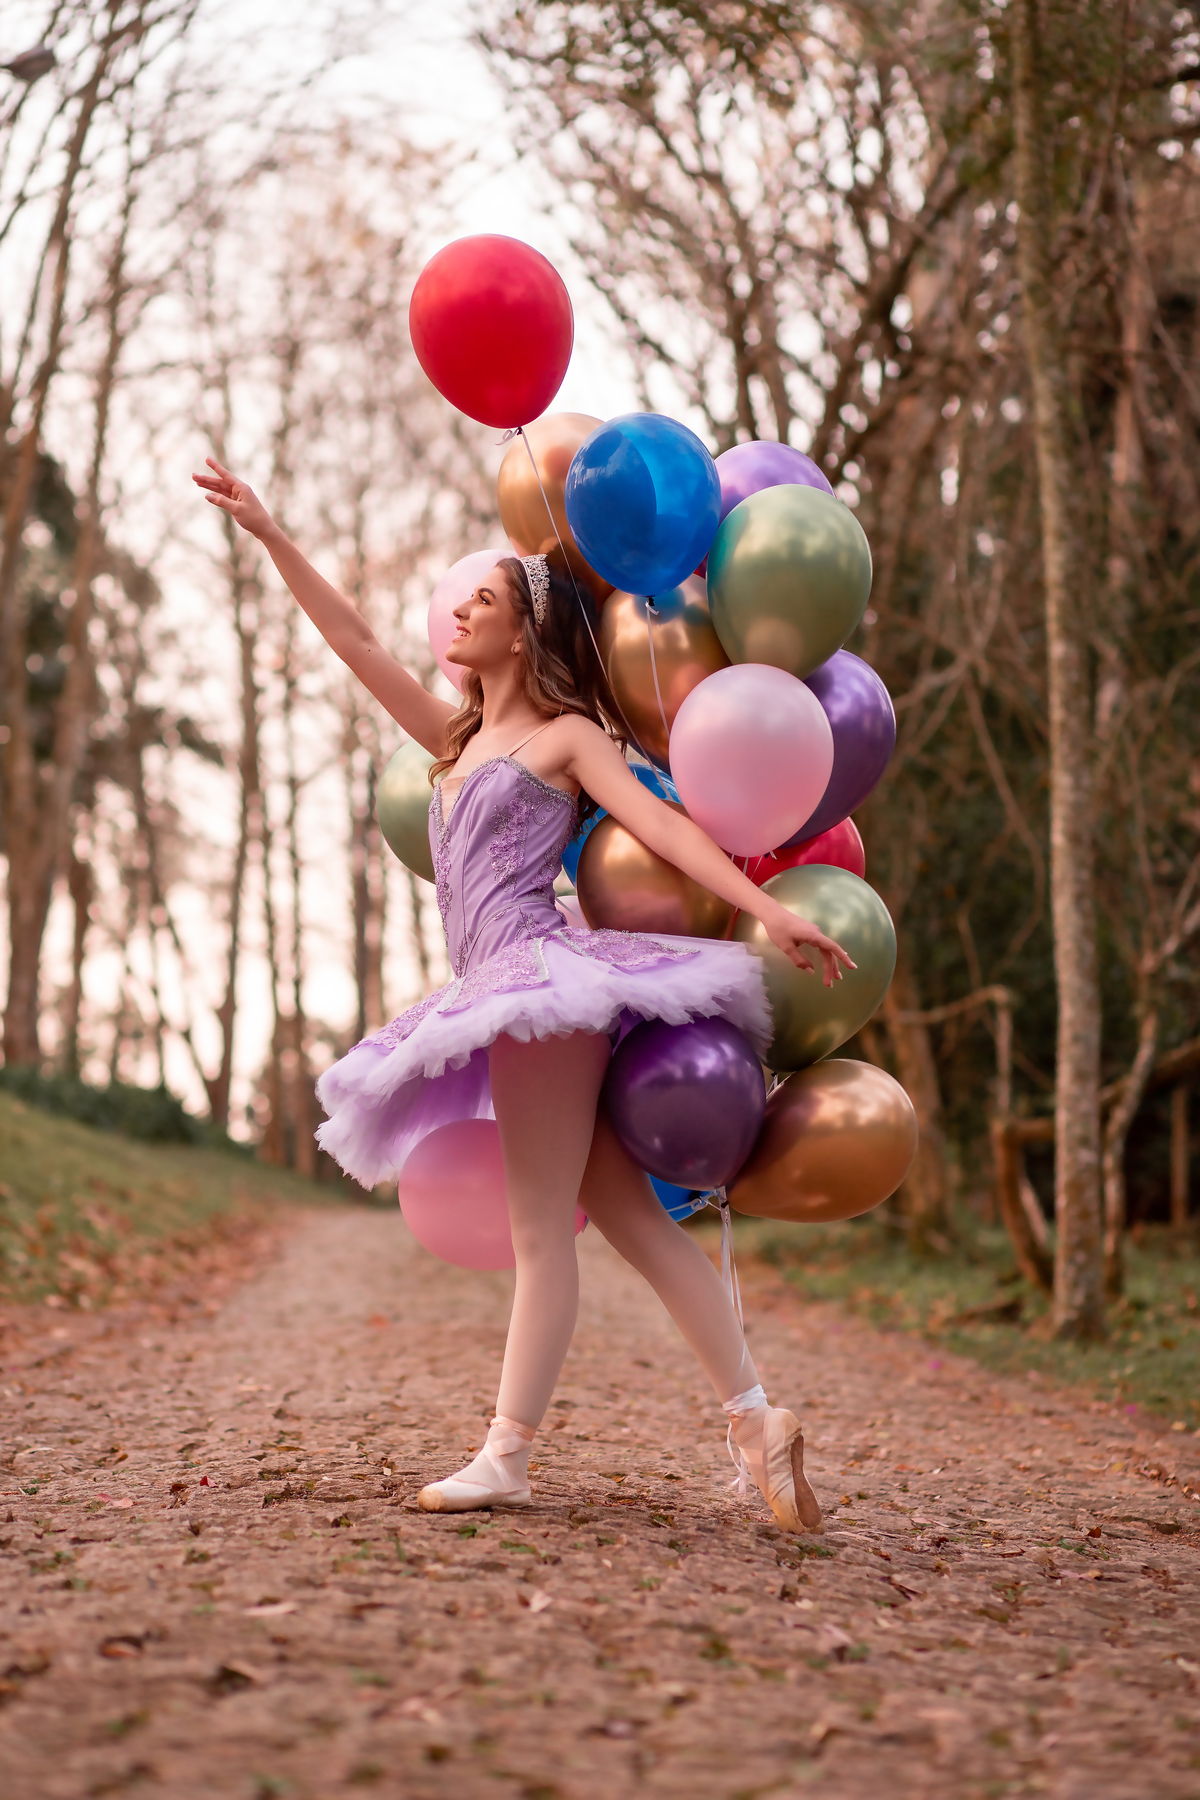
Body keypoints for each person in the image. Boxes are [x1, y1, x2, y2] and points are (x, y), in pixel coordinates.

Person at [192, 456, 855, 1531]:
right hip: (503, 986)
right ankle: (755, 1416)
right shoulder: (455, 740)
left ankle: (507, 1455)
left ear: (524, 632)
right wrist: (269, 535)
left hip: (538, 985)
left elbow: (668, 830)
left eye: (483, 603)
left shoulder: (566, 739)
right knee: (635, 1223)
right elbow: (358, 644)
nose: (459, 614)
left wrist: (769, 909)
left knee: (543, 1230)